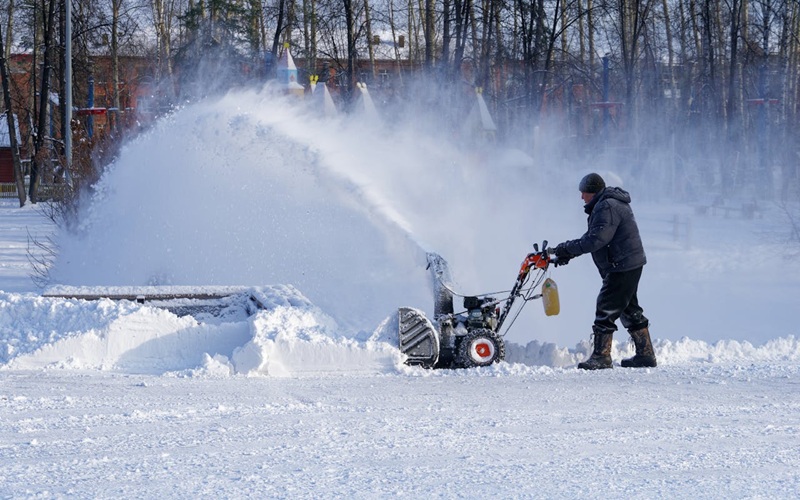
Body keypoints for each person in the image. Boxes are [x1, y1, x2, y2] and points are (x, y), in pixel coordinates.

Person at [553, 173, 657, 370]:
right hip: (627, 262)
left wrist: (566, 248)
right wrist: (567, 253)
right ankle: (646, 355)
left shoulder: (607, 206)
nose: (581, 197)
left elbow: (596, 240)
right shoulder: (607, 204)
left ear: (593, 191)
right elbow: (594, 237)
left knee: (606, 307)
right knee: (629, 308)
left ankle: (602, 356)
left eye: (584, 192)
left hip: (622, 264)